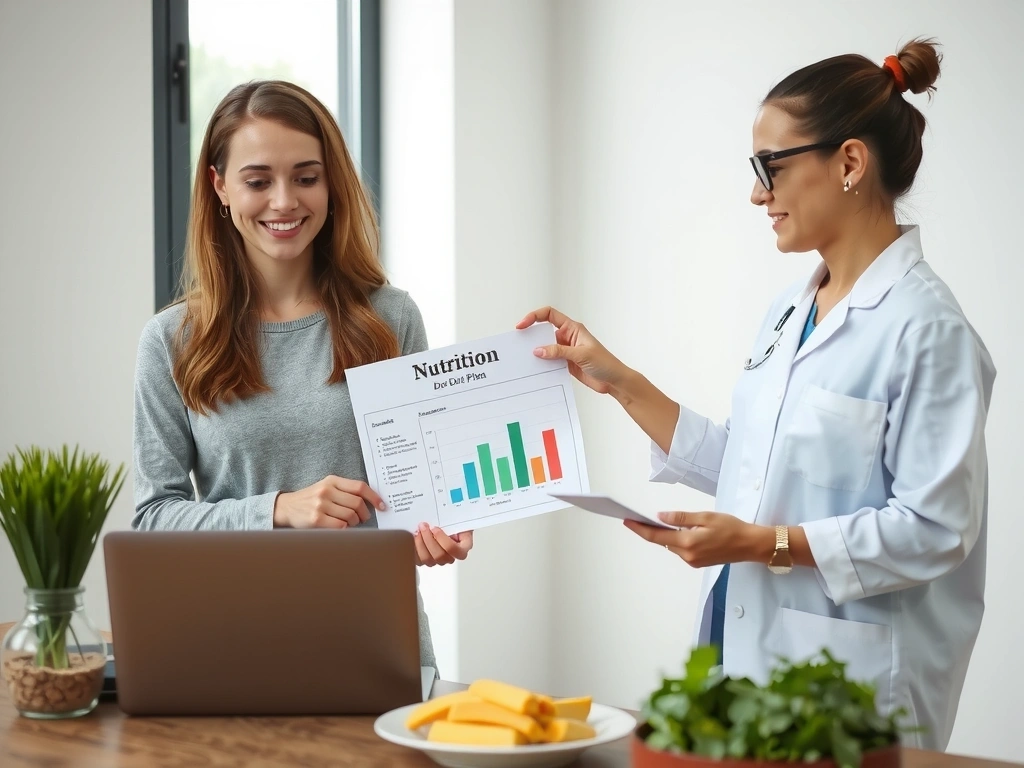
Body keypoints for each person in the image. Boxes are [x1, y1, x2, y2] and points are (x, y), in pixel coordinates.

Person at [517, 39, 994, 751]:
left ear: (850, 163)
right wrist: (619, 381)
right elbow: (755, 468)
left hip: (860, 684)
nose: (755, 192)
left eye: (769, 167)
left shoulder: (928, 331)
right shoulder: (788, 311)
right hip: (748, 651)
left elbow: (936, 530)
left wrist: (766, 543)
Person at [132, 80, 473, 671]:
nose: (285, 201)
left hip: (375, 640)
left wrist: (441, 528)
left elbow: (425, 492)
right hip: (228, 644)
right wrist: (277, 510)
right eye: (258, 180)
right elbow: (154, 519)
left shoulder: (391, 318)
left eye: (306, 177)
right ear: (220, 187)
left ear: (332, 184)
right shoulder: (171, 341)